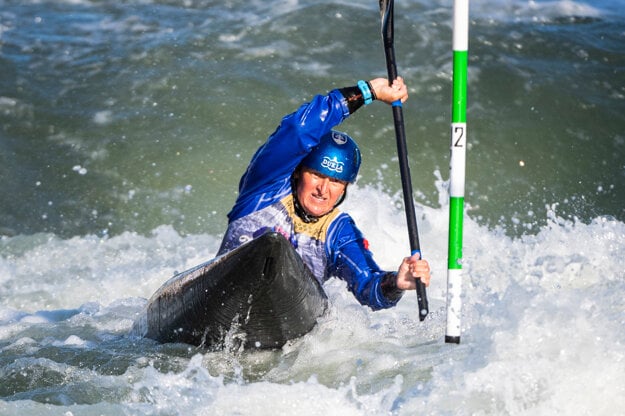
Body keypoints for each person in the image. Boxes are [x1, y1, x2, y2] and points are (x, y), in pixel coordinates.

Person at [218, 77, 431, 310]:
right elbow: (299, 130)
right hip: (225, 293)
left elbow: (370, 288)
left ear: (345, 187)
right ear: (299, 172)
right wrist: (369, 92)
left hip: (285, 321)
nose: (323, 189)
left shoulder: (338, 232)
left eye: (335, 181)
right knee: (272, 244)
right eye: (316, 175)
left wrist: (397, 284)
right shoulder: (264, 188)